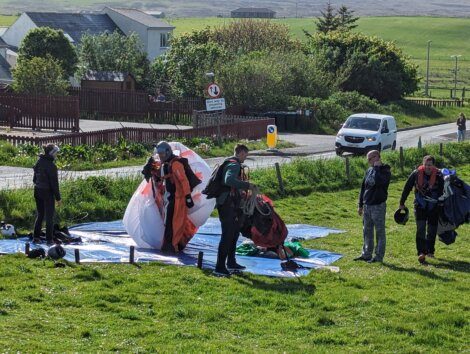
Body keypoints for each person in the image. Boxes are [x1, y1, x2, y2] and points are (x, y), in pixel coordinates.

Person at [214, 144, 255, 276]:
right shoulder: (234, 164)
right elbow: (229, 180)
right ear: (241, 153)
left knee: (235, 233)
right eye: (245, 155)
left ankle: (231, 261)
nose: (246, 157)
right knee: (227, 235)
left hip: (231, 204)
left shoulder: (230, 162)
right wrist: (247, 185)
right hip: (227, 205)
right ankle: (219, 266)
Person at [399, 155, 444, 264]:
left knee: (432, 230)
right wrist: (402, 203)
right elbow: (407, 188)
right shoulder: (415, 174)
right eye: (426, 165)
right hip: (420, 205)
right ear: (423, 165)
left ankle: (430, 251)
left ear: (433, 165)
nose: (428, 167)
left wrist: (443, 205)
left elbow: (443, 191)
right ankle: (421, 252)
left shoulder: (439, 175)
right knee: (421, 228)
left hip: (434, 207)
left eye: (430, 165)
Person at [154, 141, 196, 252]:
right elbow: (162, 178)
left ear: (168, 152)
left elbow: (184, 181)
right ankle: (170, 244)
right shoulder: (165, 164)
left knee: (174, 223)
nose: (161, 156)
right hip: (169, 198)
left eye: (162, 154)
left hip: (177, 199)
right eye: (159, 154)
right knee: (168, 223)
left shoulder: (175, 164)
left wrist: (187, 197)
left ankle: (172, 246)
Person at [355, 150, 391, 263]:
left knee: (379, 232)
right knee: (367, 231)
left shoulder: (385, 170)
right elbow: (363, 188)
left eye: (370, 158)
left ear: (377, 157)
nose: (369, 161)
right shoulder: (369, 170)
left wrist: (376, 168)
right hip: (367, 206)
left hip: (378, 206)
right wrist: (360, 205)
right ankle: (366, 254)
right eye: (368, 159)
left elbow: (379, 182)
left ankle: (378, 256)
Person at [33, 144, 61, 245]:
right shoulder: (52, 166)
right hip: (47, 193)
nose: (57, 155)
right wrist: (58, 198)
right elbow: (54, 184)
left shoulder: (39, 161)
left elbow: (34, 179)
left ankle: (36, 237)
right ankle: (49, 240)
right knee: (49, 216)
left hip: (37, 190)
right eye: (56, 153)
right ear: (52, 153)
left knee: (40, 214)